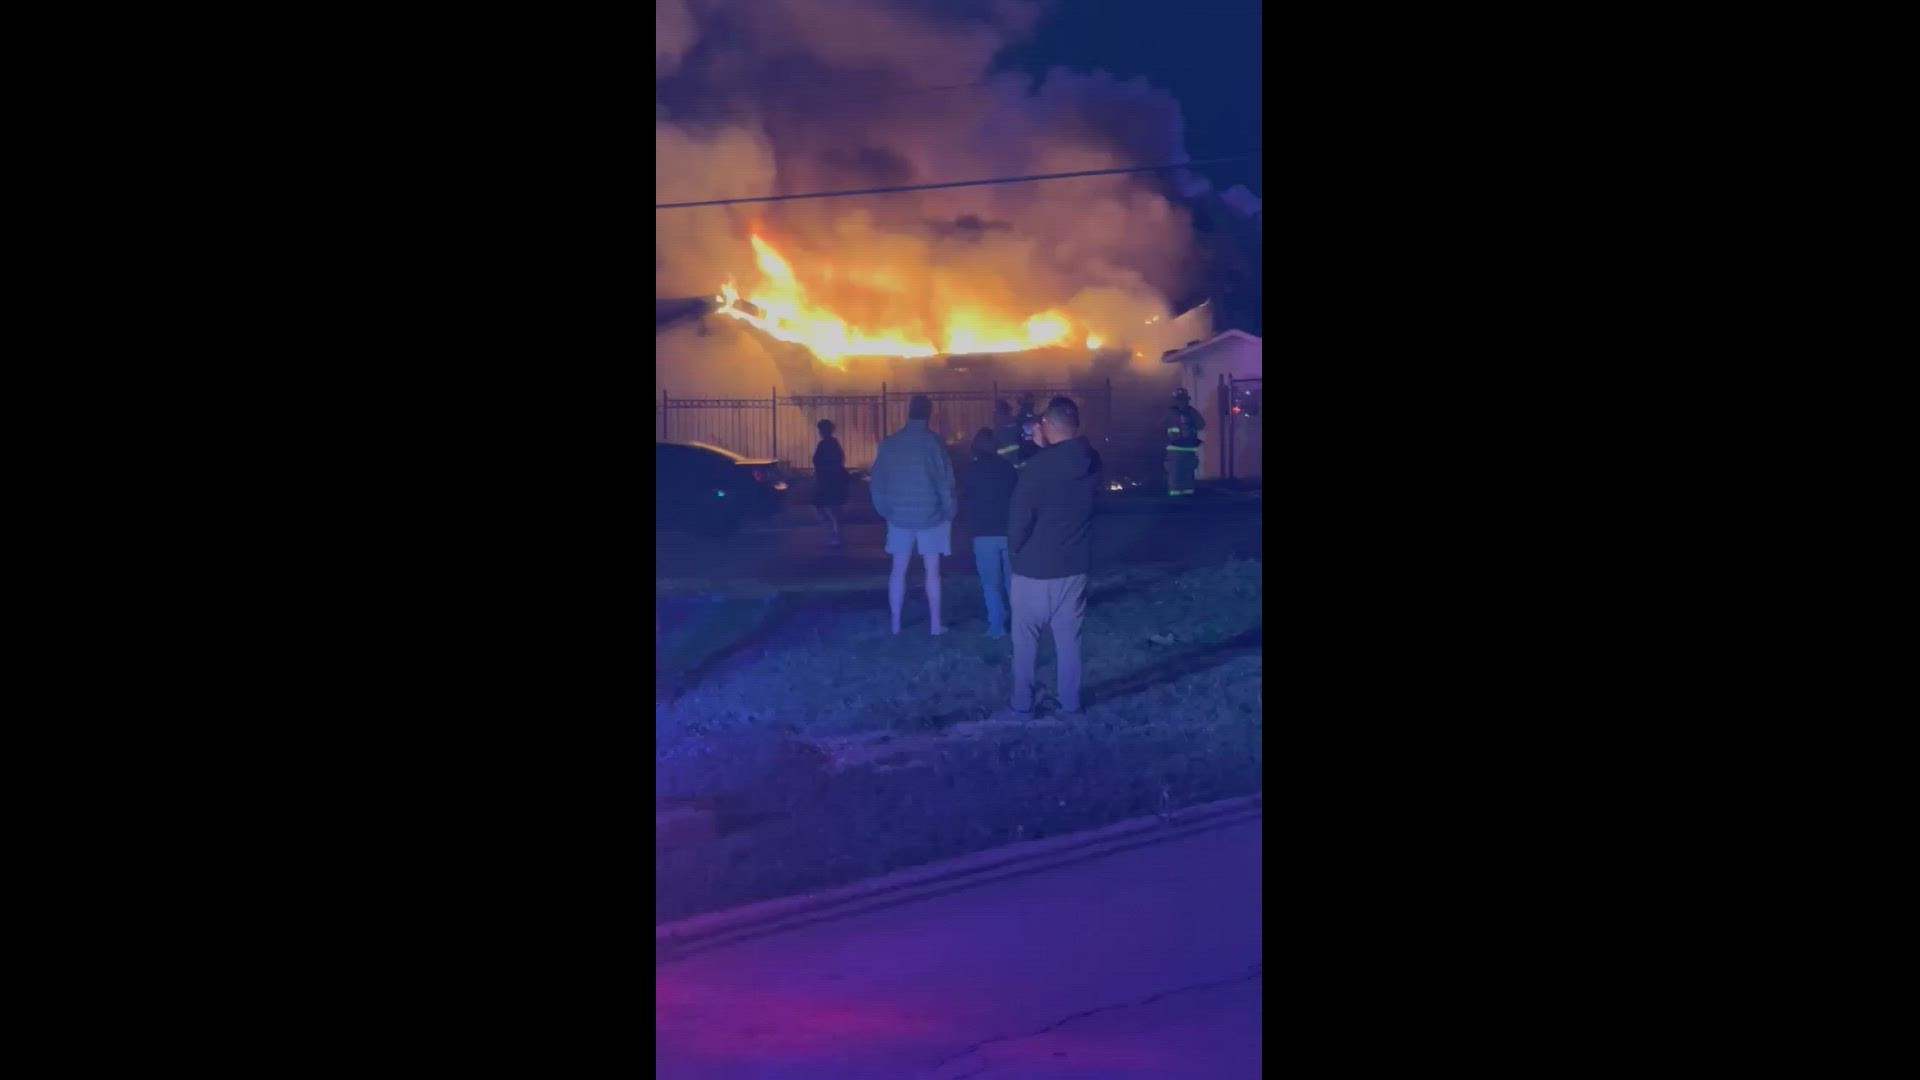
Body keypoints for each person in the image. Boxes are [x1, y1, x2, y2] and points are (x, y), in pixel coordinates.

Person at [1006, 396, 1102, 718]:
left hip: (1034, 568)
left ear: (1047, 426)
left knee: (1026, 641)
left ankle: (1021, 704)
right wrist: (1046, 446)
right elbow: (1065, 468)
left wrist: (1015, 549)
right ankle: (1071, 704)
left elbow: (1021, 516)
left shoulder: (1037, 467)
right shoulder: (1092, 461)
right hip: (1073, 567)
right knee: (1068, 641)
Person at [870, 394, 956, 635]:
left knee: (898, 570)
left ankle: (896, 625)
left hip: (898, 517)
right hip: (931, 516)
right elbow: (945, 482)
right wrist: (949, 511)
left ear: (908, 412)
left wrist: (886, 510)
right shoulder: (934, 443)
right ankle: (935, 625)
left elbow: (878, 482)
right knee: (932, 571)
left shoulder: (890, 443)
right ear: (929, 414)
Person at [961, 427, 1018, 638]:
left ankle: (997, 625)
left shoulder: (971, 470)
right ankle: (1020, 622)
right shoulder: (1008, 468)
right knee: (1012, 581)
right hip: (1008, 531)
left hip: (983, 533)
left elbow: (965, 499)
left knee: (990, 583)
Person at [811, 418, 849, 546]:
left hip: (828, 481)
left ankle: (835, 534)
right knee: (831, 508)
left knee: (830, 508)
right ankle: (835, 534)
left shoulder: (827, 444)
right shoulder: (832, 444)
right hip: (831, 480)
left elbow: (823, 463)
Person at [1165, 387, 1206, 497]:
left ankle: (1188, 503)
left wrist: (1190, 414)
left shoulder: (1191, 412)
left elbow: (1201, 424)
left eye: (1183, 400)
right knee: (1175, 479)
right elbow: (1160, 427)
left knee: (1188, 479)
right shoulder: (1170, 413)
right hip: (1175, 452)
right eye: (1179, 400)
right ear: (1175, 401)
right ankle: (1175, 503)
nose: (1181, 402)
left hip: (1188, 451)